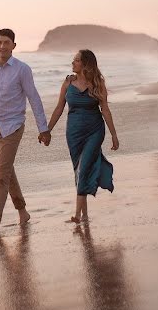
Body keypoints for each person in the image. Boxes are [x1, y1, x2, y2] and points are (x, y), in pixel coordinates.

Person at [0, 28, 51, 237]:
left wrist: (43, 128)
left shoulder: (22, 69)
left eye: (6, 42)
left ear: (14, 45)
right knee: (6, 172)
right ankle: (22, 211)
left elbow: (34, 98)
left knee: (0, 176)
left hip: (13, 126)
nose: (2, 46)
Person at [46, 49, 118, 223]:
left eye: (76, 60)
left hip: (94, 131)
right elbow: (58, 108)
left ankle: (77, 215)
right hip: (74, 133)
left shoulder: (98, 84)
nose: (73, 63)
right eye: (73, 60)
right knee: (78, 170)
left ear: (85, 64)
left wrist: (114, 135)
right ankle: (85, 215)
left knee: (84, 167)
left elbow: (105, 110)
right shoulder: (68, 83)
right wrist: (46, 130)